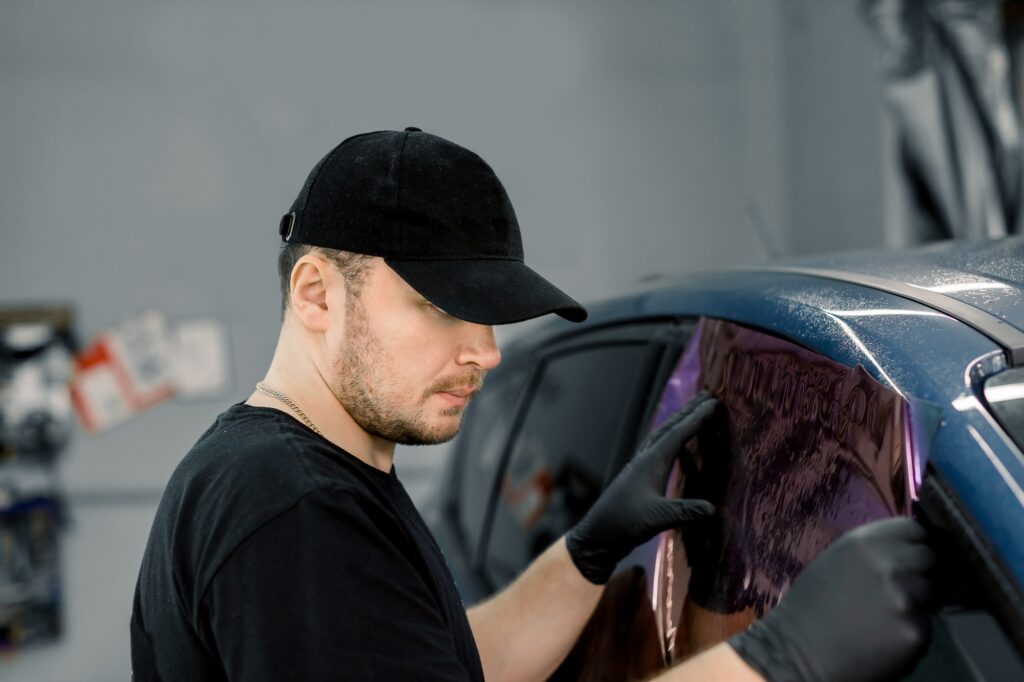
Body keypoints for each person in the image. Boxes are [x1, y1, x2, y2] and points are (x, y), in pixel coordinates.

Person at [130, 128, 935, 681]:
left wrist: (581, 557)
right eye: (444, 307)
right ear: (315, 295)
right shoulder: (292, 510)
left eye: (489, 313)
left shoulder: (289, 474)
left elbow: (448, 662)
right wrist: (774, 663)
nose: (484, 350)